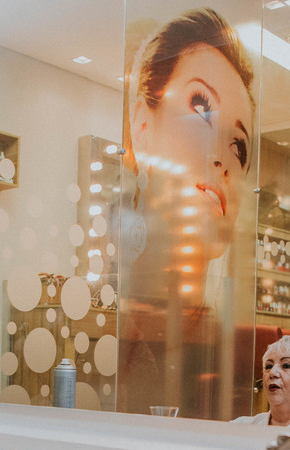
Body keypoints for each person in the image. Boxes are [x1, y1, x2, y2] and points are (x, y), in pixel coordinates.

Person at [115, 8, 255, 417]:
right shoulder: (111, 314)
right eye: (201, 108)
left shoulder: (222, 342)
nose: (223, 161)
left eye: (239, 145)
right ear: (142, 127)